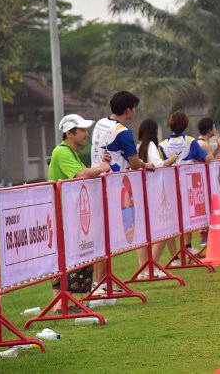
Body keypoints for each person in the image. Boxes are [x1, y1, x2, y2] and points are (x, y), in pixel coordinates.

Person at [90, 91, 155, 291]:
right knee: (105, 239)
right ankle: (101, 286)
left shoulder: (100, 123)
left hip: (95, 183)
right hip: (111, 188)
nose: (134, 111)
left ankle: (99, 283)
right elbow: (134, 163)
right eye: (134, 108)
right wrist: (145, 165)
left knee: (101, 238)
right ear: (128, 110)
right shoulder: (123, 132)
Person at [49, 114, 112, 313]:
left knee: (72, 258)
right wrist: (101, 167)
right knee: (64, 259)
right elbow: (81, 174)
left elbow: (85, 173)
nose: (86, 134)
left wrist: (100, 168)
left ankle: (64, 304)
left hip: (70, 215)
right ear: (69, 133)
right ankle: (61, 304)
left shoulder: (71, 153)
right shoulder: (62, 152)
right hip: (62, 215)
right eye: (82, 130)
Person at [159, 111, 209, 253]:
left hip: (168, 187)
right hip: (187, 186)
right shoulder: (190, 141)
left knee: (170, 221)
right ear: (186, 125)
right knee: (188, 216)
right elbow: (206, 158)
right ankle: (188, 246)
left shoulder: (162, 145)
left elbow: (159, 164)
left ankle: (175, 256)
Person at [136, 119, 178, 276]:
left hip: (141, 193)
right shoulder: (151, 146)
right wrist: (171, 160)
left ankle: (143, 269)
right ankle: (151, 267)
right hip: (155, 193)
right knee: (164, 230)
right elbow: (157, 164)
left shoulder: (138, 147)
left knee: (143, 234)